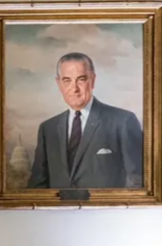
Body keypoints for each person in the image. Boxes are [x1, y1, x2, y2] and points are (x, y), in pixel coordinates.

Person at [29, 52, 143, 190]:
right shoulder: (48, 128)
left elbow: (138, 181)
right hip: (58, 211)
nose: (74, 88)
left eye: (81, 79)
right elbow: (37, 186)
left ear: (92, 80)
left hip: (106, 210)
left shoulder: (123, 121)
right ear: (59, 84)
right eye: (67, 80)